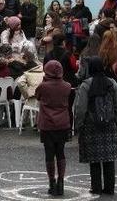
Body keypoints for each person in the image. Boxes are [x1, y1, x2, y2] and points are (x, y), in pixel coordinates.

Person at [74, 56, 117, 195]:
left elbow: (80, 108)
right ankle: (109, 188)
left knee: (94, 159)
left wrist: (79, 125)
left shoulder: (86, 85)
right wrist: (116, 121)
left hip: (91, 125)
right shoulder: (112, 83)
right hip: (109, 124)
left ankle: (96, 187)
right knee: (109, 159)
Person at [36, 60, 73, 196]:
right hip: (63, 123)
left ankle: (52, 182)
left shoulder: (43, 86)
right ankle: (61, 182)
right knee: (61, 152)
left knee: (49, 153)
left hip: (47, 123)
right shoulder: (67, 86)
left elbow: (38, 96)